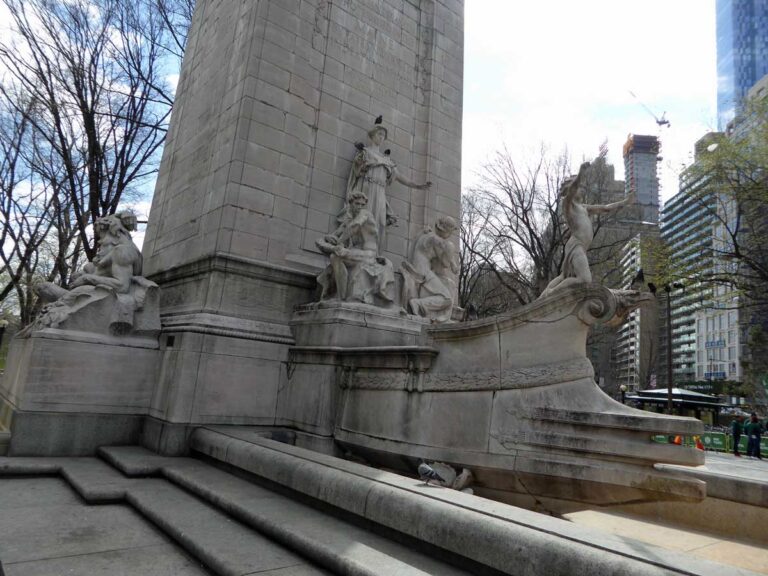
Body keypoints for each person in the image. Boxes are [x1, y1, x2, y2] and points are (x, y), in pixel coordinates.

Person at [541, 162, 634, 298]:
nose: (580, 190)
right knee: (584, 279)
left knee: (564, 276)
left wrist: (625, 202)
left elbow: (605, 208)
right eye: (579, 188)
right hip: (576, 245)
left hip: (580, 247)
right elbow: (572, 188)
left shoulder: (583, 207)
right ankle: (551, 293)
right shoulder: (568, 205)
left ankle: (544, 294)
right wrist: (581, 172)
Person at [342, 116, 431, 253]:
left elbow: (400, 176)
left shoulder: (386, 159)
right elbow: (357, 171)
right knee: (362, 219)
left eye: (383, 135)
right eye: (379, 134)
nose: (381, 137)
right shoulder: (365, 152)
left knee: (380, 223)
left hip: (380, 192)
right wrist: (362, 163)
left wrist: (417, 186)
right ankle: (357, 249)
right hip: (366, 188)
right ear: (372, 135)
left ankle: (374, 252)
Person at [316, 191, 394, 304]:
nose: (360, 207)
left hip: (369, 254)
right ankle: (341, 296)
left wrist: (338, 242)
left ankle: (341, 298)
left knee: (337, 257)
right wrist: (329, 238)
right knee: (335, 256)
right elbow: (335, 234)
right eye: (357, 204)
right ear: (350, 204)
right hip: (356, 253)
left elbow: (354, 226)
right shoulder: (349, 220)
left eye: (362, 204)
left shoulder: (365, 214)